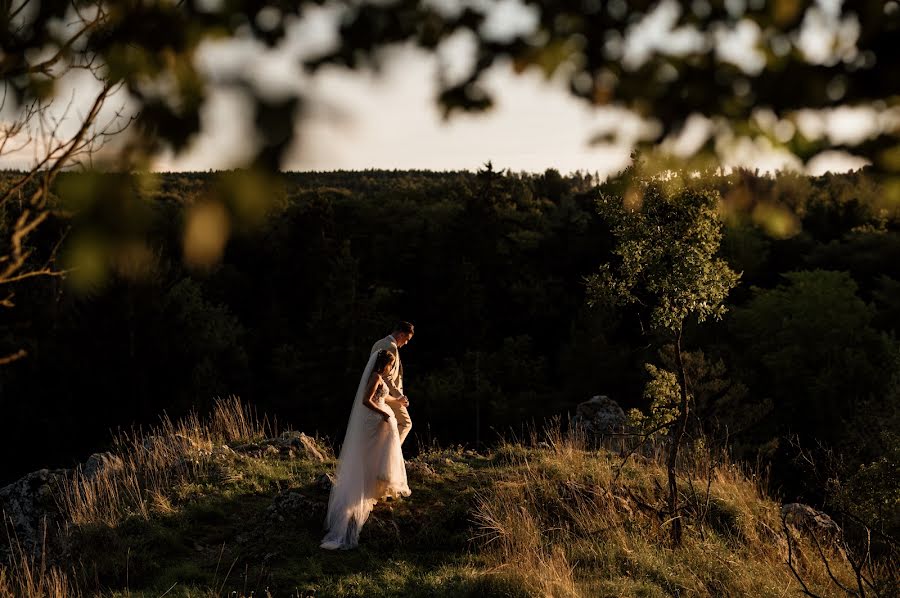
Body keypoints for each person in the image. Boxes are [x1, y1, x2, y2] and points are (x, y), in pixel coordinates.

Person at [320, 349, 411, 550]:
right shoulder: (376, 376)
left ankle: (379, 483)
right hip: (374, 420)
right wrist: (384, 415)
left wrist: (397, 402)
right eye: (391, 365)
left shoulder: (380, 378)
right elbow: (366, 400)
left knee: (380, 452)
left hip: (379, 418)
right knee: (372, 454)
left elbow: (383, 396)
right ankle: (370, 485)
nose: (391, 369)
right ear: (385, 364)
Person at [369, 321, 414, 445]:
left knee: (386, 425)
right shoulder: (391, 347)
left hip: (374, 389)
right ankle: (392, 454)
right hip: (387, 392)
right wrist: (399, 396)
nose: (406, 343)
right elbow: (387, 376)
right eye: (407, 339)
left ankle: (383, 452)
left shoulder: (378, 342)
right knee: (405, 423)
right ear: (401, 335)